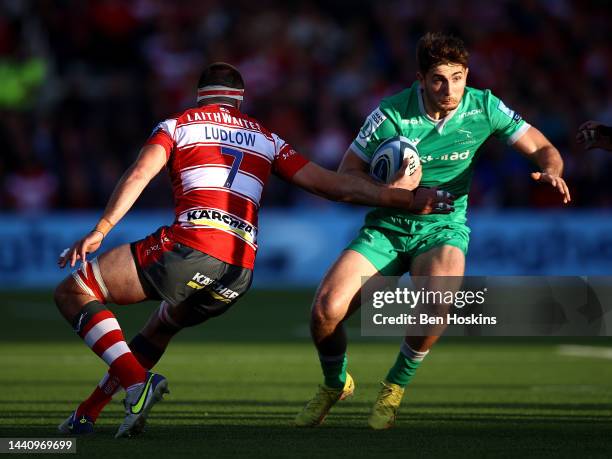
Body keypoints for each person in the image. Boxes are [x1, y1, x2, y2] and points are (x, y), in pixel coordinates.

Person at [54, 62, 454, 438]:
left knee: (74, 292)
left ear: (201, 97)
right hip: (238, 269)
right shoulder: (267, 139)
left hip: (193, 243)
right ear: (239, 100)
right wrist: (407, 198)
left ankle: (138, 384)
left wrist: (102, 228)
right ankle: (87, 413)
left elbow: (140, 172)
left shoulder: (178, 125)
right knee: (161, 325)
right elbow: (334, 186)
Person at [294, 32, 571, 430]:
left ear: (466, 74)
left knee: (438, 300)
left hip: (442, 227)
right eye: (439, 79)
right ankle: (335, 383)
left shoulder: (485, 106)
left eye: (457, 77)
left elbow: (544, 148)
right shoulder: (390, 114)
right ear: (421, 78)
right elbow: (346, 176)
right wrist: (400, 198)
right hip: (388, 227)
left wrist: (551, 171)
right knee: (324, 312)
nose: (450, 89)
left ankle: (394, 386)